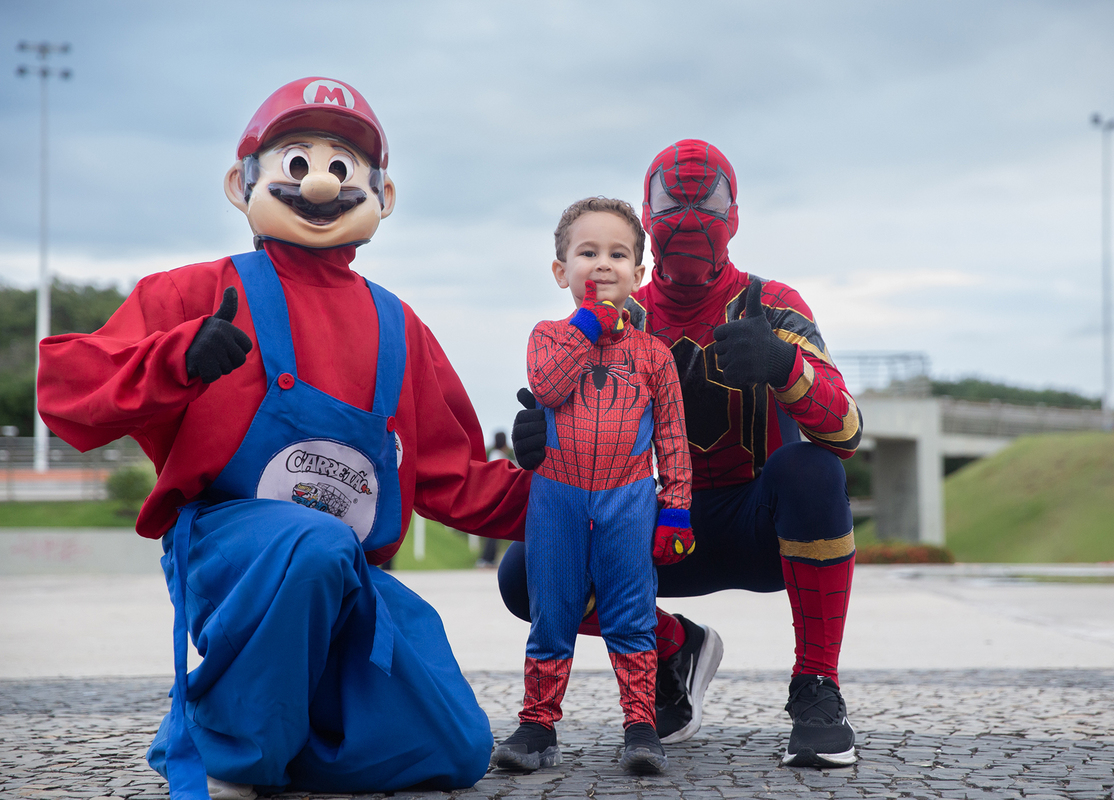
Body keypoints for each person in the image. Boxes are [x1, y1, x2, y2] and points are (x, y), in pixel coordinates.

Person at [37, 78, 530, 800]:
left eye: (346, 164)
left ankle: (286, 735)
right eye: (297, 161)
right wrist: (174, 359)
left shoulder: (400, 327)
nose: (323, 182)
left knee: (456, 750)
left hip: (350, 577)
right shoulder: (195, 293)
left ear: (382, 195)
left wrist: (568, 484)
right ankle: (228, 754)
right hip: (230, 552)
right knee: (313, 545)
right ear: (243, 184)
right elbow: (66, 391)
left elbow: (454, 477)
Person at [503, 140, 863, 768]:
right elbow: (567, 416)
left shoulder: (773, 304)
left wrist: (787, 367)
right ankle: (674, 649)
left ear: (734, 214)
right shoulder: (614, 317)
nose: (691, 214)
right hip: (649, 525)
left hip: (760, 525)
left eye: (708, 198)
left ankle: (817, 686)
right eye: (674, 200)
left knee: (810, 469)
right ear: (648, 218)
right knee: (525, 571)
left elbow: (847, 433)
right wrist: (537, 441)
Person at [491, 198, 693, 775]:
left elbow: (673, 439)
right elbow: (550, 388)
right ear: (561, 271)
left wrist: (676, 509)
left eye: (617, 254)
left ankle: (640, 724)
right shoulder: (548, 336)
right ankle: (537, 724)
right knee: (551, 608)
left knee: (630, 610)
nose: (602, 265)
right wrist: (587, 326)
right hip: (557, 496)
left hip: (628, 497)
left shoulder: (653, 355)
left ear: (639, 274)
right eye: (587, 253)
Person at [476, 432, 516, 567]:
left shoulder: (495, 455)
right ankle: (487, 559)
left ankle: (489, 558)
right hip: (495, 498)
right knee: (493, 532)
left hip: (494, 497)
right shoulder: (500, 458)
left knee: (495, 532)